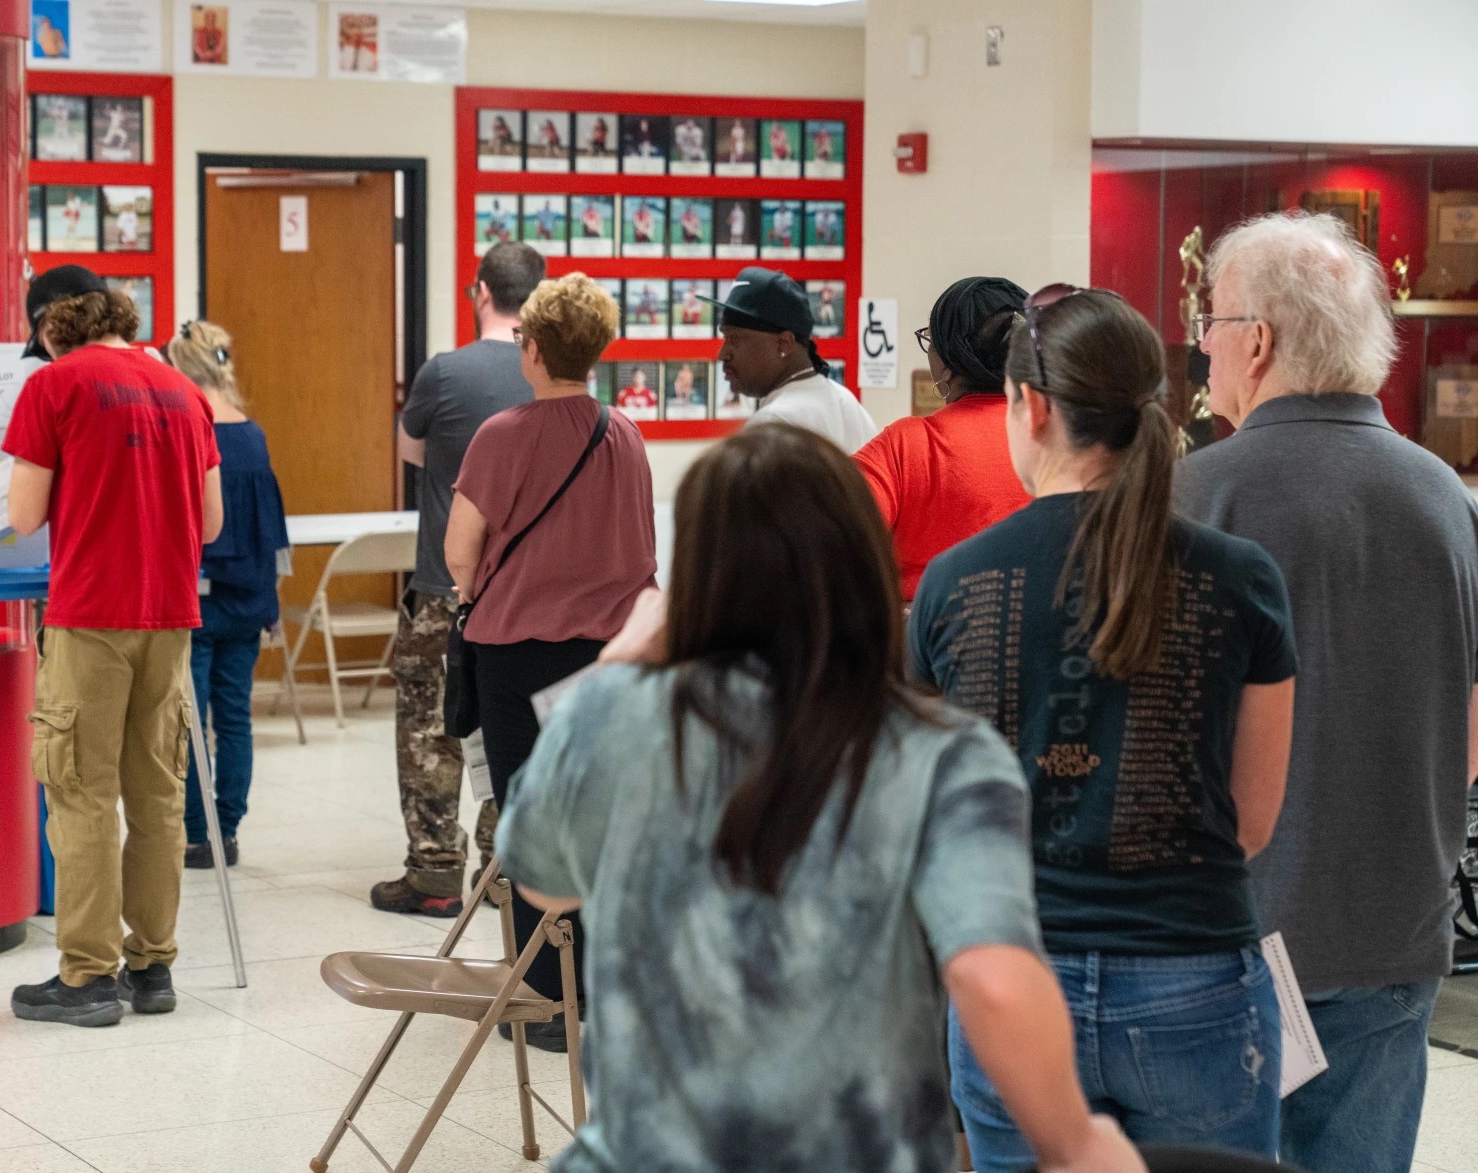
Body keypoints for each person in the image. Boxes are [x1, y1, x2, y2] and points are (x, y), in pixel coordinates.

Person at [495, 423, 1144, 1173]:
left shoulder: (613, 711)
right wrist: (1073, 1144)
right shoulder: (946, 754)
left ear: (695, 574)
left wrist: (615, 662)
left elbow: (542, 883)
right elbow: (993, 977)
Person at [909, 285, 1298, 1168]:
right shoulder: (1241, 577)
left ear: (1031, 406)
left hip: (1015, 980)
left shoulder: (951, 582)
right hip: (1194, 974)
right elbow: (1252, 820)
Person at [1174, 211, 1478, 1173]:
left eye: (1210, 325)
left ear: (1257, 341)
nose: (1203, 350)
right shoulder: (1447, 499)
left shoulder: (1194, 496)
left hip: (1227, 932)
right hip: (1396, 925)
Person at [445, 274, 656, 1051]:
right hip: (605, 654)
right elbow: (640, 548)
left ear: (530, 348)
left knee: (531, 816)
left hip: (517, 657)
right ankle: (596, 985)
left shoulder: (502, 434)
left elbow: (459, 553)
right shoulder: (623, 433)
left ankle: (545, 998)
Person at [4, 281, 223, 1027]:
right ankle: (152, 965)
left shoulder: (54, 385)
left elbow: (24, 513)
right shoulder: (185, 392)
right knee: (158, 792)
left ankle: (88, 977)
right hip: (169, 617)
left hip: (89, 614)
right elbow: (213, 520)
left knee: (81, 792)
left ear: (56, 334)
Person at [371, 243, 546, 917]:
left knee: (428, 729)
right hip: (519, 590)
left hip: (443, 581)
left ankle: (434, 870)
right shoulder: (550, 376)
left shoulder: (443, 372)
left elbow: (413, 453)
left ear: (480, 292)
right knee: (504, 724)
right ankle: (501, 867)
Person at [164, 320, 287, 872]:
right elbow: (271, 532)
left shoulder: (186, 427)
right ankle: (228, 830)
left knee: (192, 719)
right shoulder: (254, 434)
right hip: (246, 602)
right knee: (235, 716)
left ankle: (198, 835)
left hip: (195, 600)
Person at [854, 276, 1032, 600]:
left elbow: (829, 533)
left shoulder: (907, 447)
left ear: (948, 365)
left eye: (930, 342)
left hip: (930, 643)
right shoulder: (1062, 442)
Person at [706, 267, 875, 452]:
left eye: (734, 339)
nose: (723, 354)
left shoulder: (773, 423)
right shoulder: (845, 402)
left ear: (784, 344)